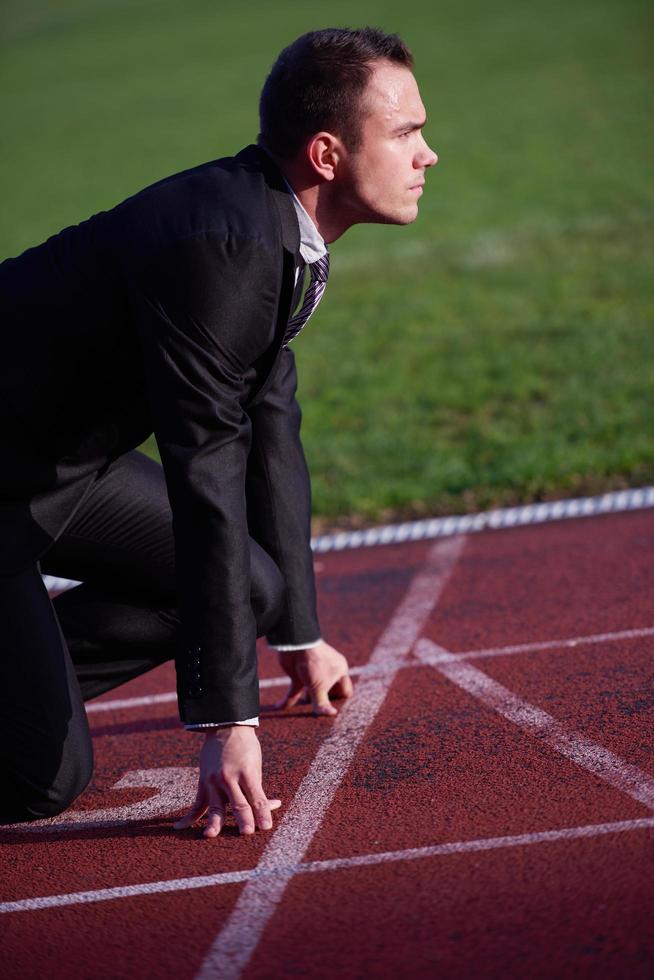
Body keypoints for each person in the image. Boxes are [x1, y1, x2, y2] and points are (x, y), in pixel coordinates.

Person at [0, 27, 437, 836]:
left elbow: (271, 427)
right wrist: (227, 720)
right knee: (39, 777)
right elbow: (206, 473)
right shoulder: (224, 248)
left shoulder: (274, 229)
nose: (429, 154)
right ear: (327, 155)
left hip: (53, 465)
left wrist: (300, 633)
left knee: (257, 588)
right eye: (407, 132)